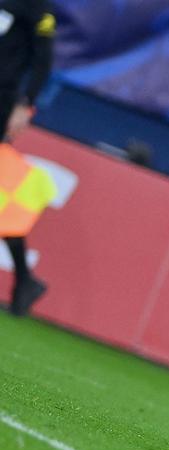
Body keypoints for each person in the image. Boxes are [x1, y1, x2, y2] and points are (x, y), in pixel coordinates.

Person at [1, 0, 54, 316]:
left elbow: (43, 60)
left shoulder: (38, 7)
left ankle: (24, 278)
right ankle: (24, 278)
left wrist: (26, 105)